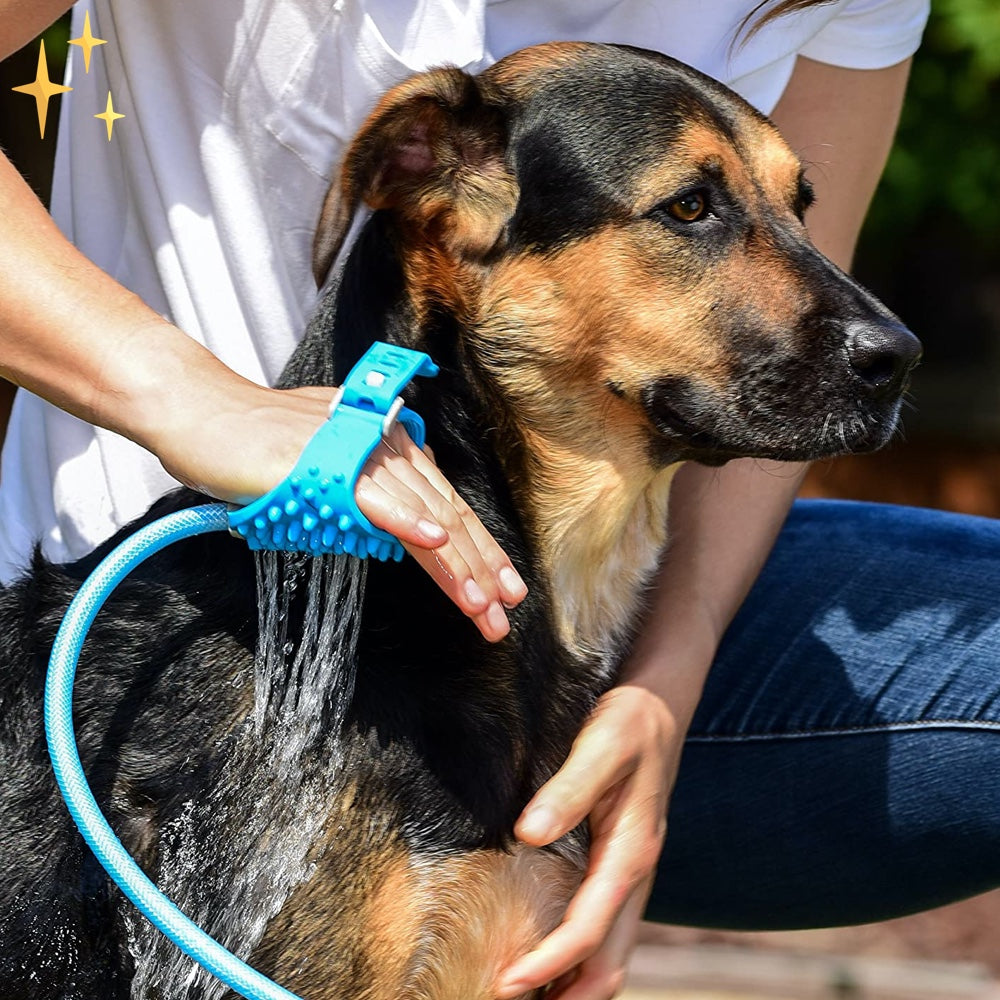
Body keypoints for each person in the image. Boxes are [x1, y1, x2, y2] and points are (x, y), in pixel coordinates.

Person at [6, 3, 1000, 1000]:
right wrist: (185, 395)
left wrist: (665, 677)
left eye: (778, 207)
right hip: (206, 598)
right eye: (690, 211)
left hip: (620, 622)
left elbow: (804, 295)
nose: (878, 336)